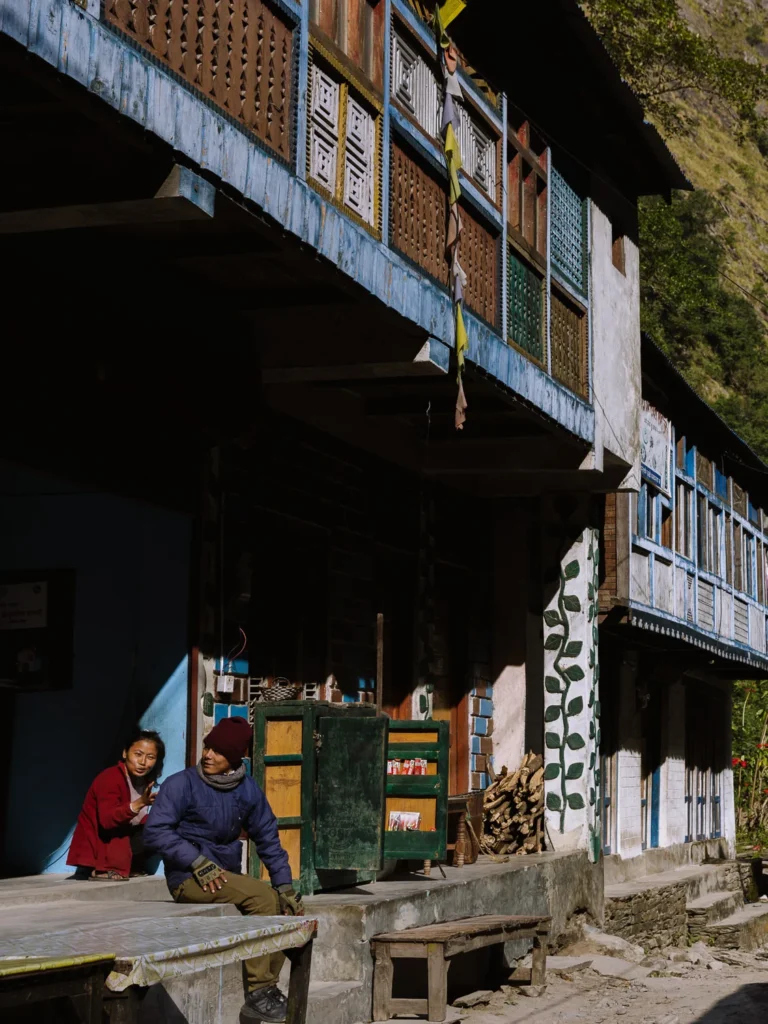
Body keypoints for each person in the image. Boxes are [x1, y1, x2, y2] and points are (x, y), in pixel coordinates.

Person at [144, 716, 304, 1024]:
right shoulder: (181, 784)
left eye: (218, 751)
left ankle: (266, 992)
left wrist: (285, 885)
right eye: (207, 748)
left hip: (223, 877)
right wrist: (196, 861)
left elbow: (268, 838)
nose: (208, 756)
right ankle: (260, 992)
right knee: (262, 899)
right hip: (187, 878)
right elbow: (156, 831)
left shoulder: (247, 789)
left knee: (282, 906)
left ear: (234, 758)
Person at [67, 727, 164, 881]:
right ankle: (102, 869)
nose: (143, 762)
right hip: (101, 845)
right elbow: (107, 821)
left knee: (167, 827)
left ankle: (130, 866)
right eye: (138, 754)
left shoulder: (144, 782)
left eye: (150, 757)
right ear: (125, 753)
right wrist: (138, 803)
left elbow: (140, 821)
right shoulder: (110, 778)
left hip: (123, 840)